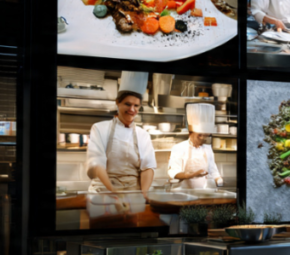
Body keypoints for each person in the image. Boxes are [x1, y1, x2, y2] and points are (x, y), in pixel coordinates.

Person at [85, 72, 157, 202]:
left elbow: (148, 167)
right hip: (104, 191)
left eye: (136, 105)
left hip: (133, 192)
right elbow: (97, 163)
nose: (132, 109)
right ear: (117, 103)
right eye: (127, 104)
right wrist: (113, 191)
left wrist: (143, 194)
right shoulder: (100, 128)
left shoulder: (143, 134)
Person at [167, 103, 223, 190]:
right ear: (190, 132)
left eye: (206, 136)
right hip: (182, 194)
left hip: (203, 194)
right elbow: (173, 173)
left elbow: (213, 171)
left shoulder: (208, 149)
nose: (203, 139)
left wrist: (219, 181)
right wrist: (191, 175)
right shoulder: (178, 148)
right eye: (200, 135)